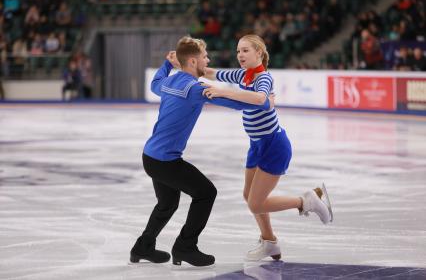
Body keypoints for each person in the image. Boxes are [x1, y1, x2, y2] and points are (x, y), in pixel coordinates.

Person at [130, 36, 272, 267]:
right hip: (165, 160)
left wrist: (168, 64)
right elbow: (235, 104)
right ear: (194, 62)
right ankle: (185, 247)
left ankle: (142, 247)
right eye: (205, 57)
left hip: (151, 155)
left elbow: (155, 83)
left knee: (167, 204)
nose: (208, 60)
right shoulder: (196, 89)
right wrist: (265, 103)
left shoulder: (170, 82)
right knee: (206, 193)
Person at [202, 34, 333, 262]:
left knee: (256, 202)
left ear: (259, 53)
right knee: (248, 195)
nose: (240, 55)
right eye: (238, 51)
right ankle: (269, 242)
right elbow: (212, 73)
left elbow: (259, 98)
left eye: (245, 51)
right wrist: (183, 64)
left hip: (274, 145)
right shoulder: (241, 75)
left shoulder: (263, 77)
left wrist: (223, 91)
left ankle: (306, 201)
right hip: (256, 145)